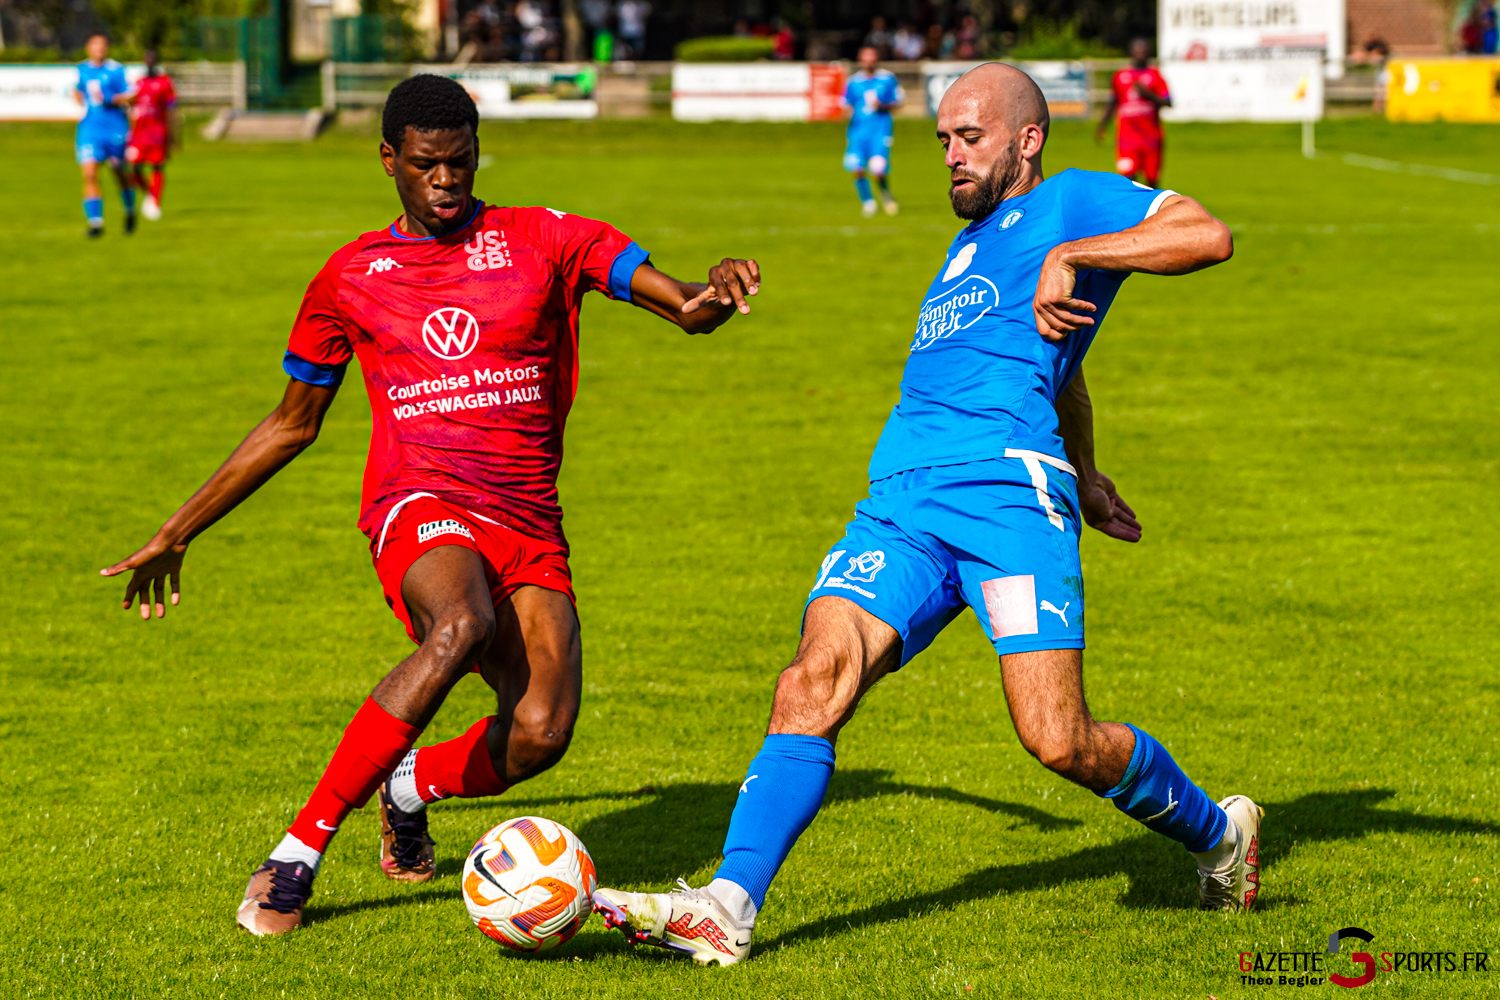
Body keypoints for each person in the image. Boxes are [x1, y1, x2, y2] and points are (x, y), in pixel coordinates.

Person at [593, 62, 1249, 968]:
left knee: (1057, 740)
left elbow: (1206, 233)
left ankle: (1220, 836)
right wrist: (1094, 470)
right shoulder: (967, 247)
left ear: (1027, 141)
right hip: (900, 503)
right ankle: (726, 906)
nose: (948, 155)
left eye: (968, 137)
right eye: (941, 138)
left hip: (1006, 500)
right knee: (810, 681)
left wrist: (1076, 254)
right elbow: (1064, 365)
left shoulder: (1067, 205)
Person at [100, 74, 763, 937]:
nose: (445, 180)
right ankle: (295, 855)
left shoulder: (551, 239)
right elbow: (293, 423)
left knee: (539, 732)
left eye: (459, 161)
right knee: (460, 626)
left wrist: (715, 287)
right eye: (424, 166)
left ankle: (408, 785)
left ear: (478, 152)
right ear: (389, 161)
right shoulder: (348, 277)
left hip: (527, 518)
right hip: (419, 499)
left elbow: (689, 311)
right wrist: (175, 531)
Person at [73, 33, 134, 238]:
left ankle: (129, 209)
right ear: (88, 48)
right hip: (90, 129)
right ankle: (96, 223)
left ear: (107, 48)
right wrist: (76, 95)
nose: (98, 49)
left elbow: (131, 94)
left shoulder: (116, 70)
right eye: (94, 45)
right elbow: (77, 90)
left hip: (115, 129)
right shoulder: (82, 70)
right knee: (89, 173)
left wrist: (112, 98)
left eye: (102, 46)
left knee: (119, 172)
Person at [1096, 37, 1172, 188]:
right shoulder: (1120, 76)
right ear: (1131, 52)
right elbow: (1113, 102)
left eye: (1143, 51)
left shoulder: (1155, 75)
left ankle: (1154, 211)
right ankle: (1133, 211)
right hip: (1127, 138)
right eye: (1137, 51)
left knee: (1152, 182)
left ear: (1149, 53)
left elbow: (1168, 102)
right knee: (1128, 179)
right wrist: (1102, 125)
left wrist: (1148, 95)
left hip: (1151, 137)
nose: (1140, 54)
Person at [842, 45, 904, 217]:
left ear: (876, 59)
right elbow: (845, 104)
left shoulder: (887, 79)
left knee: (878, 169)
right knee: (857, 167)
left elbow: (899, 101)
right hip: (858, 132)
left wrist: (882, 106)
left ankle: (885, 194)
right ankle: (868, 201)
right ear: (860, 59)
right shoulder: (853, 82)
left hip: (880, 131)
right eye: (865, 57)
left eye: (872, 57)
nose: (869, 60)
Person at [125, 49, 177, 222]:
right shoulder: (138, 82)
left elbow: (171, 110)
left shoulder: (165, 82)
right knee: (135, 167)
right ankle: (149, 193)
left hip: (157, 132)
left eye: (152, 59)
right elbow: (131, 106)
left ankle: (156, 201)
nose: (149, 62)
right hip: (139, 132)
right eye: (146, 59)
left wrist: (173, 135)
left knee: (157, 165)